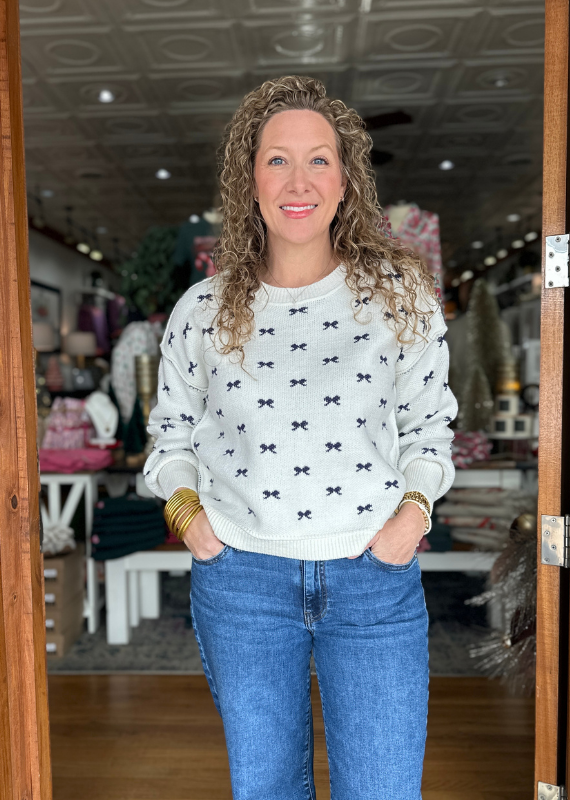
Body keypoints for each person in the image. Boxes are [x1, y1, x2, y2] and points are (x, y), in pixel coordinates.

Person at [144, 75, 458, 800]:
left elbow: (429, 427)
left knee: (382, 791)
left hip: (373, 580)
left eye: (319, 159)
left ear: (346, 181)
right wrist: (191, 522)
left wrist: (411, 517)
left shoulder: (398, 296)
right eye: (277, 158)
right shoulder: (202, 310)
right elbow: (170, 436)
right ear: (248, 178)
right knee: (267, 791)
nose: (299, 179)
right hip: (242, 584)